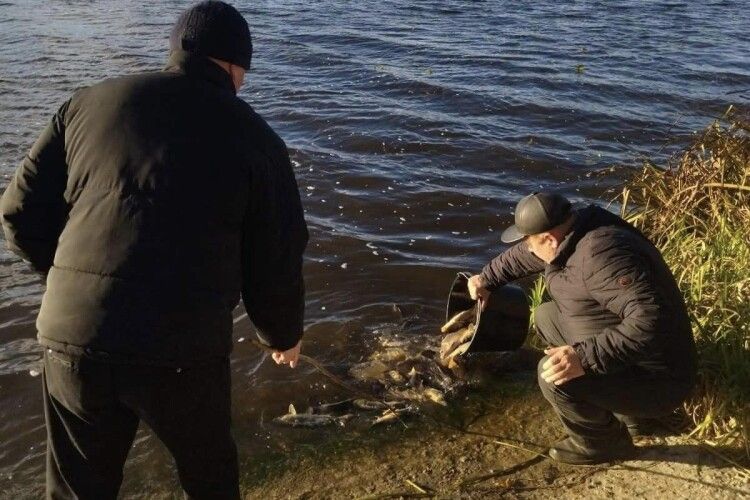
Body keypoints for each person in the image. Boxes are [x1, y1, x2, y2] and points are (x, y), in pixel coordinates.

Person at [0, 1, 308, 498]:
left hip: (72, 334)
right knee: (209, 479)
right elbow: (276, 252)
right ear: (232, 65)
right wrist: (282, 333)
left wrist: (68, 281)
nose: (244, 84)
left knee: (79, 489)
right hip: (181, 348)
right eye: (244, 72)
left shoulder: (86, 103)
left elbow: (16, 210)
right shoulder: (255, 136)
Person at [468, 192, 697, 465]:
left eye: (530, 242)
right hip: (632, 360)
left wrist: (583, 358)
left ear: (549, 238)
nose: (527, 248)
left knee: (552, 374)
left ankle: (604, 443)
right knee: (546, 315)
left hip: (660, 381)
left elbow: (653, 321)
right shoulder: (574, 231)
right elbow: (523, 256)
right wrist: (487, 279)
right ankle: (631, 416)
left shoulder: (602, 257)